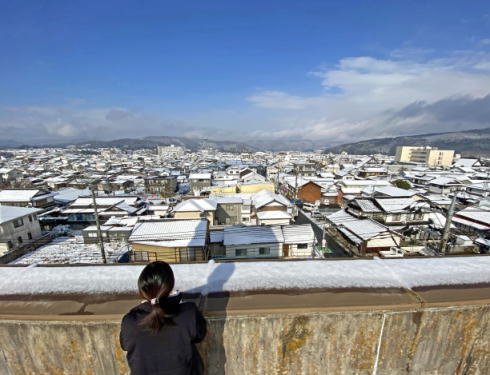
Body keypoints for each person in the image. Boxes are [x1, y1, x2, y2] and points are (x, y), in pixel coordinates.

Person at [120, 261, 207, 375]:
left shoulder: (130, 322)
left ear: (142, 289)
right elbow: (199, 335)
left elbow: (124, 344)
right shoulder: (188, 313)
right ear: (170, 285)